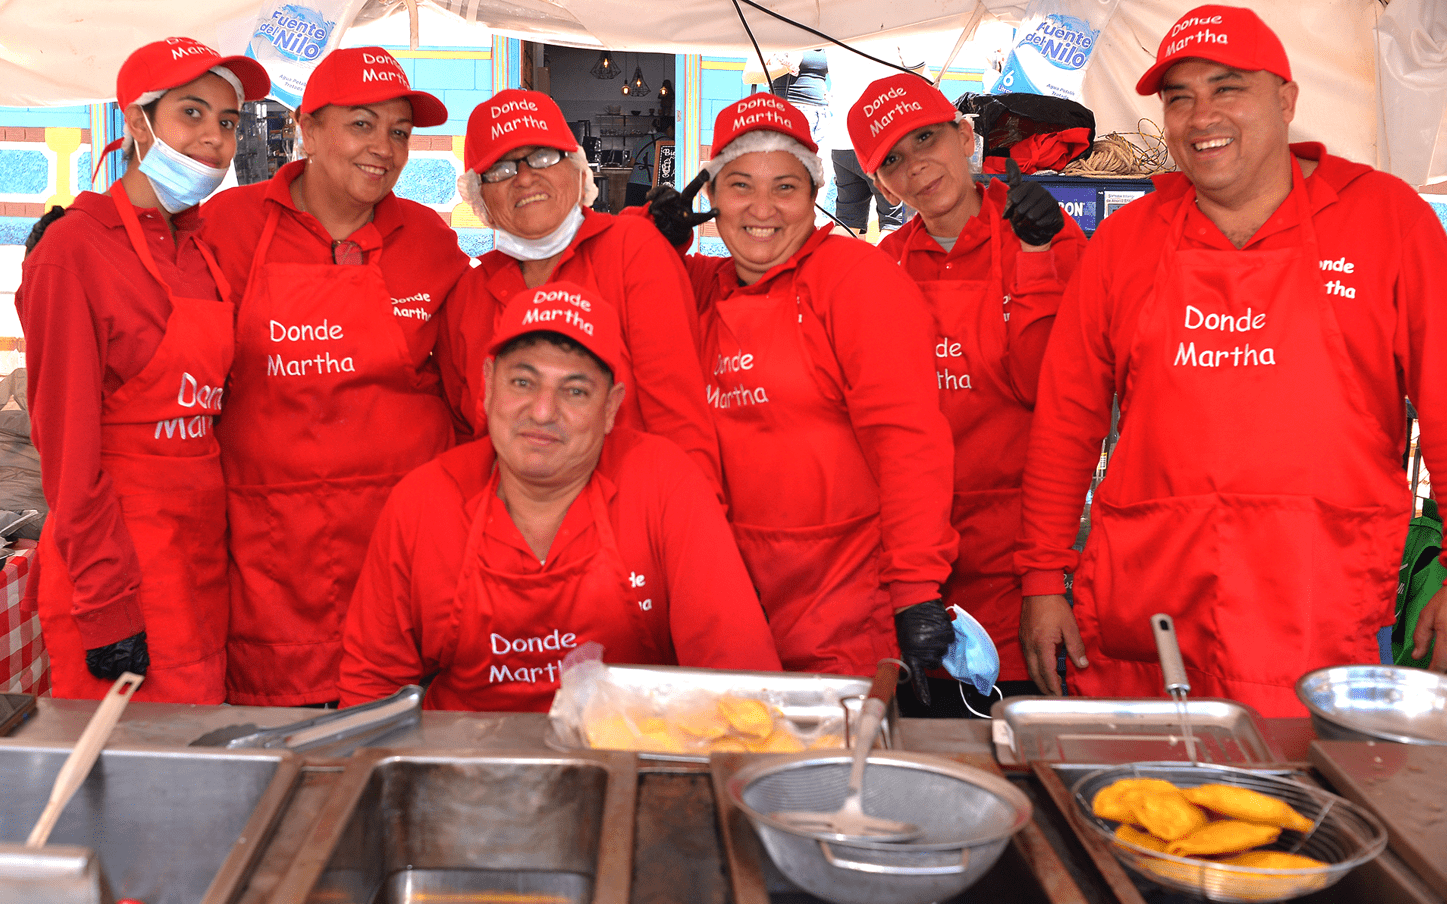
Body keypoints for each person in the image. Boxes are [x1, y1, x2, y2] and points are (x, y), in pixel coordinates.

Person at [1016, 4, 1447, 716]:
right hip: (1152, 601)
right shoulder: (1126, 241)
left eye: (1226, 88)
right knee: (1151, 809)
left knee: (1312, 810)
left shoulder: (1385, 220)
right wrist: (1039, 579)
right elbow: (1065, 421)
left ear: (1285, 100)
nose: (1198, 114)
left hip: (1318, 599)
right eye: (1177, 97)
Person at [646, 94, 958, 701]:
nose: (762, 209)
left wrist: (917, 586)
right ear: (709, 197)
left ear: (813, 195)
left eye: (785, 187)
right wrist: (649, 230)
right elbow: (604, 269)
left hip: (842, 599)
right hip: (728, 596)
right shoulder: (699, 286)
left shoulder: (856, 280)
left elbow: (908, 444)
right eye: (739, 185)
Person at [340, 283, 781, 711]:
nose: (543, 411)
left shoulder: (665, 484)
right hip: (463, 769)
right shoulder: (423, 502)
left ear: (611, 408)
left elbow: (739, 678)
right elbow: (372, 689)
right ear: (488, 385)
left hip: (627, 762)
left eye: (575, 391)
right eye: (523, 382)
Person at [200, 47, 471, 706]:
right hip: (272, 552)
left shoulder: (430, 239)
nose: (384, 146)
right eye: (361, 123)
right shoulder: (226, 227)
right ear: (308, 129)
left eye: (399, 131)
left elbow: (469, 389)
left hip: (398, 543)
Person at [17, 38, 269, 701]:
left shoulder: (202, 247)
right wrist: (105, 604)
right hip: (117, 573)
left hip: (199, 567)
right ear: (136, 123)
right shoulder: (73, 251)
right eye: (192, 113)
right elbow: (67, 454)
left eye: (227, 120)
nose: (213, 138)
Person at [847, 73, 1086, 711]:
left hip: (1026, 556)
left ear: (963, 136)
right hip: (919, 564)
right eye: (892, 160)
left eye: (926, 138)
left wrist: (1036, 257)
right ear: (881, 187)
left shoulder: (1048, 236)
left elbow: (1056, 392)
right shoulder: (881, 269)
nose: (917, 167)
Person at [441, 90, 721, 493]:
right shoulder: (468, 294)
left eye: (542, 157)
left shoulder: (633, 249)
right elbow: (466, 436)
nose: (524, 177)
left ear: (576, 168)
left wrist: (693, 533)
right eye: (499, 169)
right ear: (479, 196)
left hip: (631, 526)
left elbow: (679, 421)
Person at [823, 48, 910, 240]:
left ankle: (832, 269)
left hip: (842, 140)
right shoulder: (897, 28)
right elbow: (923, 76)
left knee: (847, 223)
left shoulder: (834, 31)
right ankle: (882, 271)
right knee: (892, 224)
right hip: (880, 140)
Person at [624, 116, 674, 208]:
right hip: (652, 186)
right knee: (649, 218)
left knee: (632, 216)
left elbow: (631, 164)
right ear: (670, 128)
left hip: (634, 183)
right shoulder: (670, 144)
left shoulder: (642, 140)